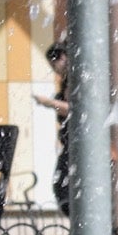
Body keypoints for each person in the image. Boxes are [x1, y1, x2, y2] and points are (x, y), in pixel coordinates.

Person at [32, 39, 73, 216]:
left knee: (62, 188)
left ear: (63, 57)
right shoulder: (65, 81)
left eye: (53, 64)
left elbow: (76, 110)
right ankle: (81, 229)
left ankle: (84, 228)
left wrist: (49, 103)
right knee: (62, 188)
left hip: (77, 146)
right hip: (69, 145)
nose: (53, 70)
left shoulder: (74, 78)